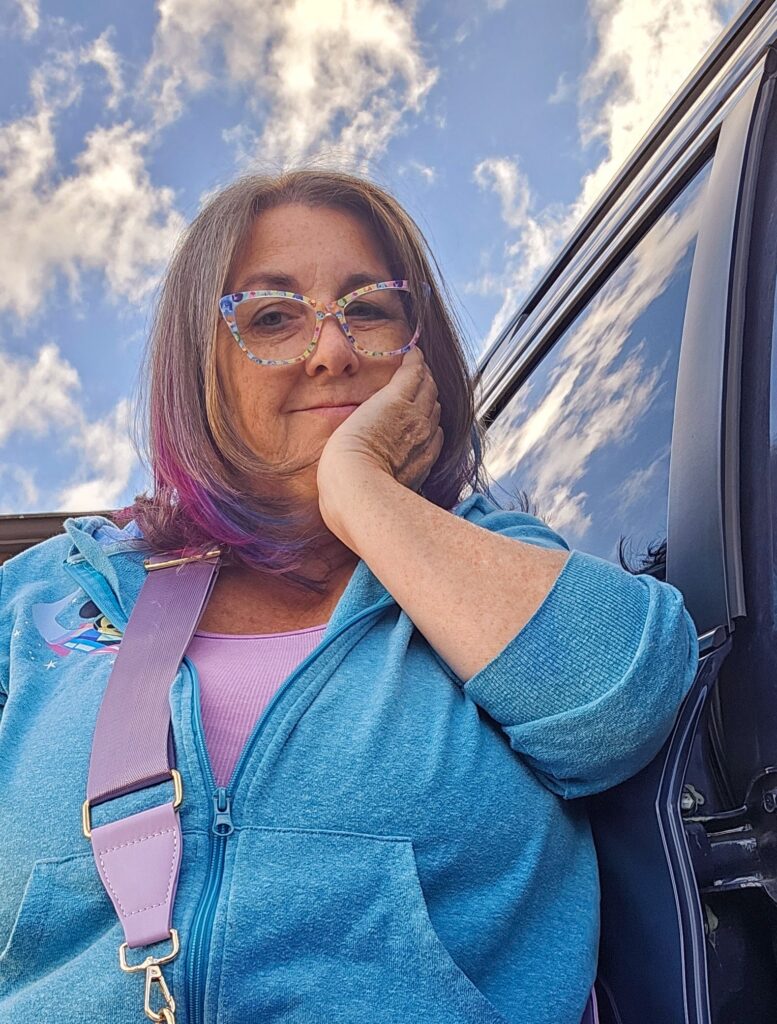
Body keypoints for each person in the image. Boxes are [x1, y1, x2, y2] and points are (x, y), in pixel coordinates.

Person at [0, 169, 699, 1024]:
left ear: (420, 351)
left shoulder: (481, 554)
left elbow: (621, 701)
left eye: (368, 308)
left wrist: (359, 491)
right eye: (270, 317)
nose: (331, 351)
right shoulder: (41, 598)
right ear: (199, 367)